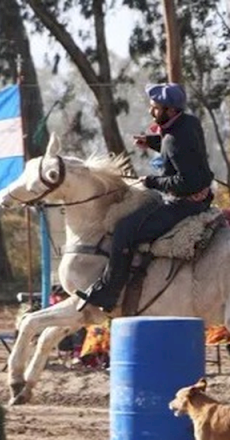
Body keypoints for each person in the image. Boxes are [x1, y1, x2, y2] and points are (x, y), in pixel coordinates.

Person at [75, 82, 215, 312]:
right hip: (201, 198)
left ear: (170, 110)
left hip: (184, 205)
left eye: (156, 107)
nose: (151, 111)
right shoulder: (187, 123)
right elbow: (175, 145)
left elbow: (185, 182)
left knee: (124, 230)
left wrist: (151, 181)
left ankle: (108, 292)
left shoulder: (173, 139)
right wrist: (151, 142)